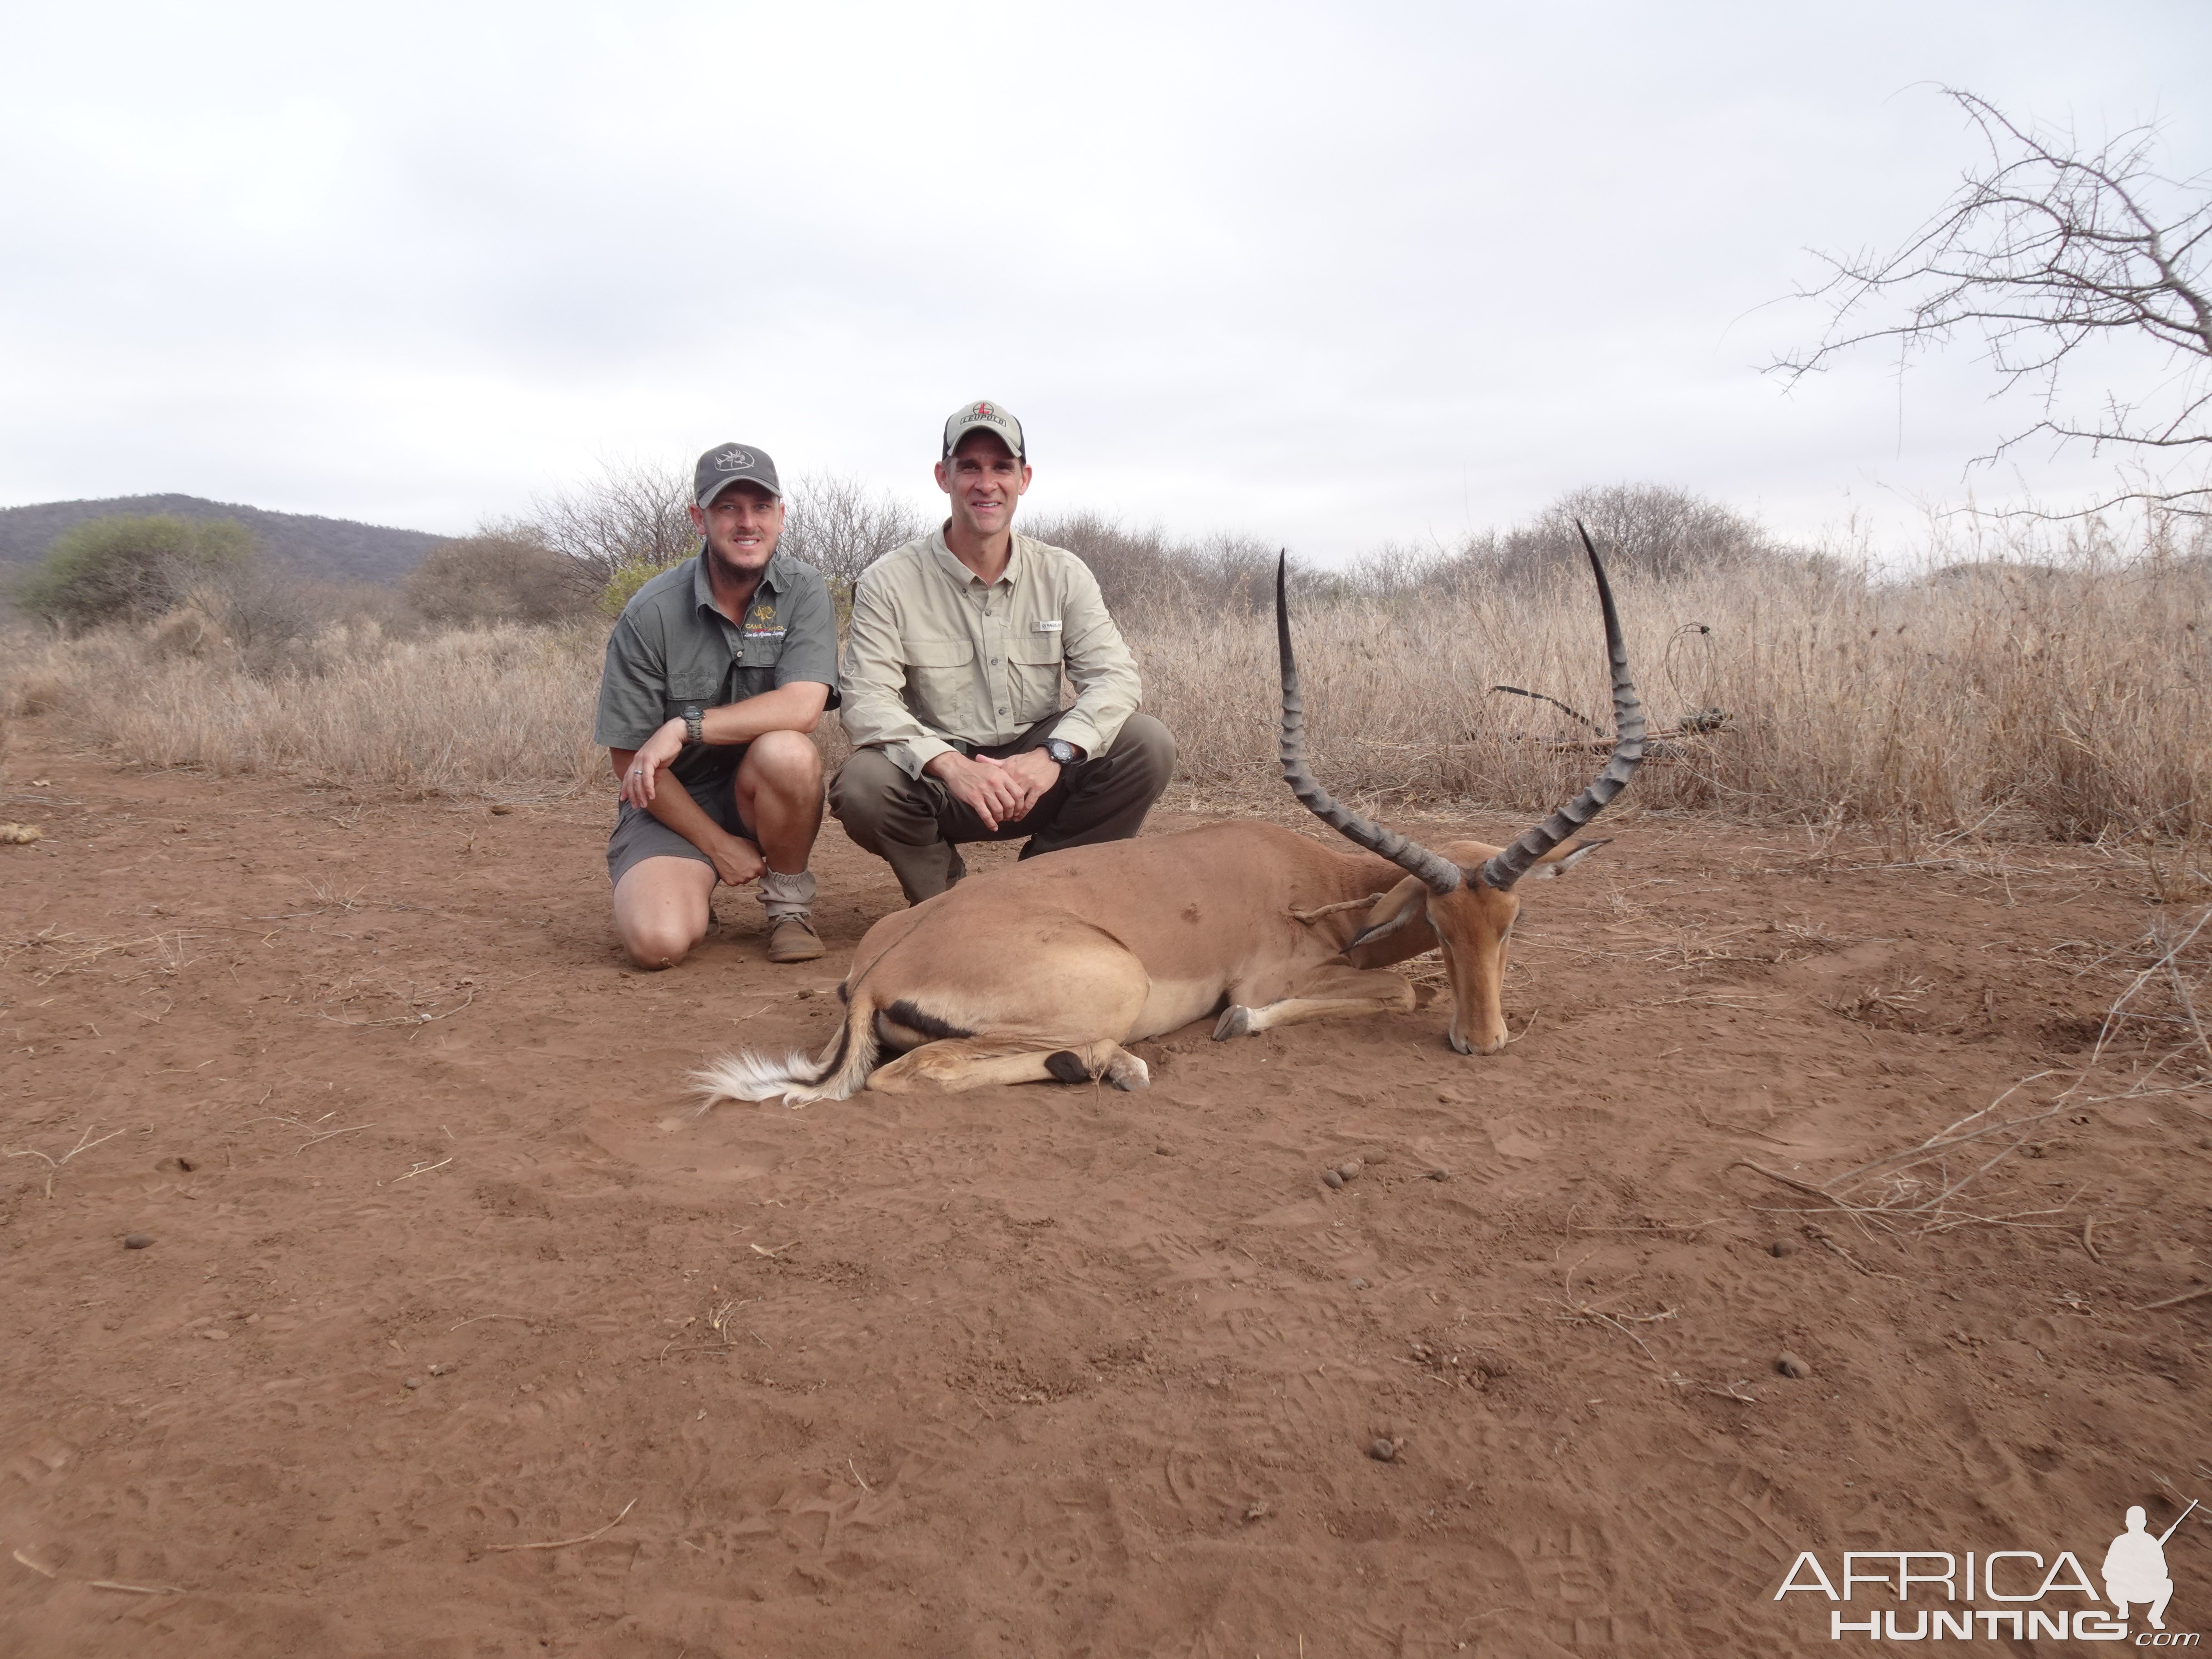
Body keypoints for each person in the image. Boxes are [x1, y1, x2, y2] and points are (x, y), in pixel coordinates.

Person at [830, 399, 1175, 904]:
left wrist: (1053, 754)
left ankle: (1043, 888)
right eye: (969, 466)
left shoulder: (1063, 573)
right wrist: (949, 764)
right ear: (943, 477)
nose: (985, 483)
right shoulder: (888, 581)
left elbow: (1116, 679)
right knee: (862, 784)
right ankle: (945, 899)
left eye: (1001, 467)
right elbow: (867, 701)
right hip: (944, 783)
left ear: (1024, 478)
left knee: (1147, 743)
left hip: (1037, 775)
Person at [594, 443, 839, 967]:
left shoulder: (804, 590)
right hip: (674, 799)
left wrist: (686, 725)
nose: (747, 523)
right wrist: (717, 844)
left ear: (781, 514)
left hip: (759, 786)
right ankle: (695, 874)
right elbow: (628, 758)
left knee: (790, 753)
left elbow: (803, 708)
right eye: (728, 508)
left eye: (761, 507)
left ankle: (789, 907)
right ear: (698, 518)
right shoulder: (651, 611)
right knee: (656, 945)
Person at [2103, 1505, 2176, 1630]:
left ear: (2127, 1523)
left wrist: (2146, 1570)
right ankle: (2123, 1607)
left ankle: (2155, 1616)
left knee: (2167, 1584)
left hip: (2144, 1590)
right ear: (2145, 1523)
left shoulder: (2151, 1543)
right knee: (2111, 1583)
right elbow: (2107, 1571)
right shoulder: (2120, 1542)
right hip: (2123, 1590)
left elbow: (2163, 1572)